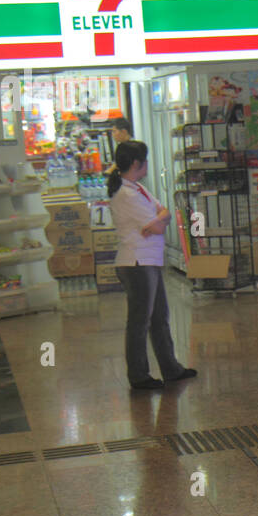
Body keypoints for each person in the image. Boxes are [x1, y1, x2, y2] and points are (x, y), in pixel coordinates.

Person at [108, 140, 198, 392]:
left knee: (159, 317)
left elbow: (164, 213)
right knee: (140, 321)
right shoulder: (126, 194)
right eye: (145, 160)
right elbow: (160, 223)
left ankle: (171, 368)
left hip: (149, 261)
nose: (147, 164)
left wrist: (159, 219)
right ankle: (138, 376)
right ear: (137, 164)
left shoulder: (137, 189)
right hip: (136, 262)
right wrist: (159, 220)